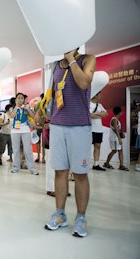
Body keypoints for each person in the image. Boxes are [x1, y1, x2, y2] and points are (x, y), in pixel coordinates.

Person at [41, 48, 95, 238]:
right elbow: (52, 96)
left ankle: (81, 217)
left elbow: (83, 82)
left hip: (79, 126)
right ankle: (60, 214)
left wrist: (72, 60)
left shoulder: (88, 59)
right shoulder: (56, 66)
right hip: (57, 126)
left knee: (80, 174)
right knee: (60, 172)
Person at [10, 92, 38, 175]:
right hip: (15, 131)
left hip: (25, 130)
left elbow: (33, 116)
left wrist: (28, 109)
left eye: (21, 98)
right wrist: (16, 106)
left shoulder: (27, 107)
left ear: (24, 99)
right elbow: (12, 116)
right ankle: (15, 167)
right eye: (18, 98)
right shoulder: (13, 108)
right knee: (16, 149)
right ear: (16, 99)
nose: (20, 99)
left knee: (28, 150)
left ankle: (32, 169)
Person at [103, 106, 129, 171]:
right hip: (114, 138)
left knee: (120, 150)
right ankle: (106, 163)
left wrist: (122, 133)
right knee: (114, 151)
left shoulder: (116, 119)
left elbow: (118, 129)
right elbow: (116, 130)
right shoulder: (114, 119)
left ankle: (121, 165)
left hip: (116, 138)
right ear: (119, 112)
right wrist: (119, 138)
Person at [90, 92, 108, 170]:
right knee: (86, 147)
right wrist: (100, 114)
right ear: (95, 95)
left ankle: (96, 164)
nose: (100, 96)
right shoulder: (88, 104)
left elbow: (106, 114)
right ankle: (84, 162)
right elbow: (89, 115)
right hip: (89, 129)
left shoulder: (100, 105)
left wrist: (96, 115)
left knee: (98, 146)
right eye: (99, 94)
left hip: (99, 129)